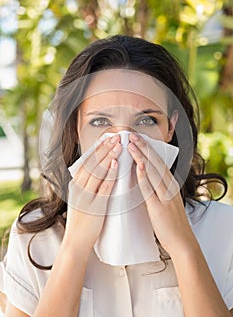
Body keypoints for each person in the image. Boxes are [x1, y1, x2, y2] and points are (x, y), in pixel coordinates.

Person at [0, 35, 233, 317]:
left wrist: (183, 246)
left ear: (170, 128)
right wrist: (74, 247)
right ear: (76, 130)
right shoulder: (35, 237)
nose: (124, 140)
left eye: (146, 120)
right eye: (100, 122)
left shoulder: (223, 229)